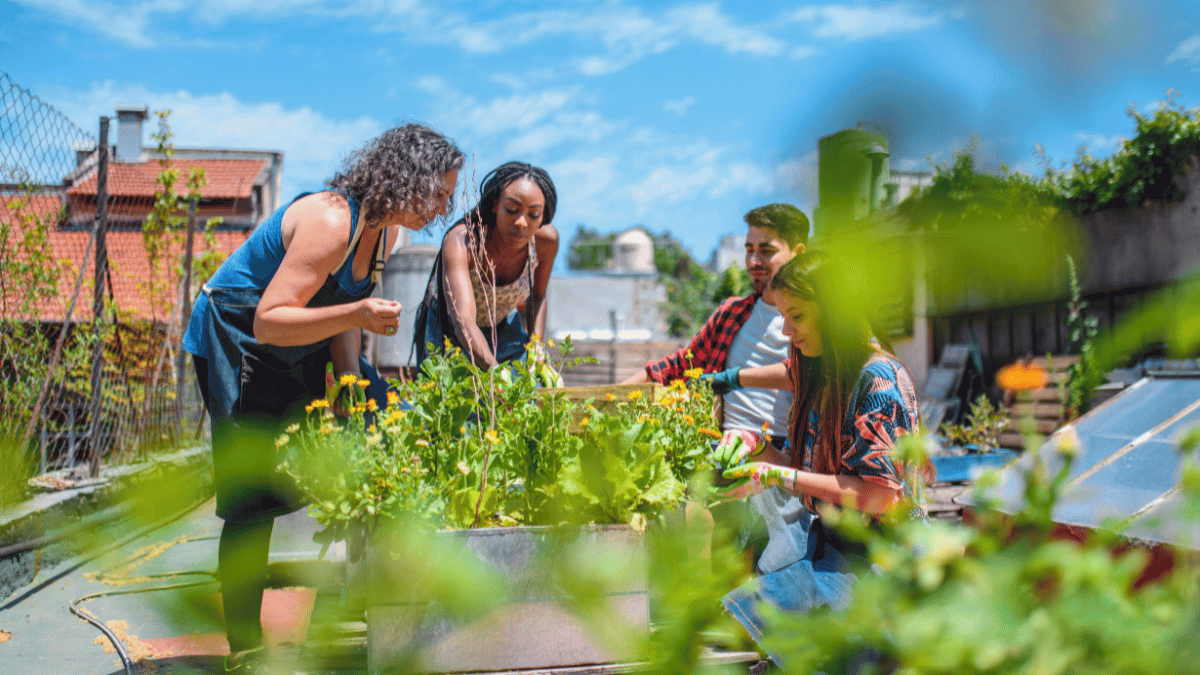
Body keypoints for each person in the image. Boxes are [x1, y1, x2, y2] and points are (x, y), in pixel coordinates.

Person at [182, 124, 464, 674]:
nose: (444, 205)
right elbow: (270, 321)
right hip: (239, 340)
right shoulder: (332, 220)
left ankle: (373, 602)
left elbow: (342, 311)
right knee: (253, 498)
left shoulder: (385, 235)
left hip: (298, 341)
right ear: (409, 179)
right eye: (439, 192)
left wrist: (350, 384)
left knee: (387, 422)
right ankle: (245, 648)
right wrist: (359, 317)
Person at [710, 250, 927, 666]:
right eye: (784, 317)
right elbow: (805, 471)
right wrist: (758, 447)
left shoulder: (878, 380)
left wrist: (774, 474)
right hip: (834, 551)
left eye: (799, 317)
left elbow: (879, 497)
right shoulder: (822, 371)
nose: (788, 331)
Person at [622, 203, 808, 565]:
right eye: (749, 250)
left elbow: (827, 372)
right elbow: (678, 365)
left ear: (798, 252)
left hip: (780, 453)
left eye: (766, 250)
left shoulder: (810, 319)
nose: (754, 260)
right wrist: (607, 396)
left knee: (712, 519)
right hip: (721, 447)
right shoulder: (734, 313)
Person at [414, 161, 558, 369]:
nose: (521, 222)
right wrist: (496, 376)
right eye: (511, 209)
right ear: (495, 204)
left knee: (528, 390)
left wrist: (537, 347)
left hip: (501, 323)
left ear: (543, 217)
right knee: (447, 396)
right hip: (449, 327)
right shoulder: (464, 241)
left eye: (533, 215)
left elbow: (537, 296)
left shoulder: (546, 242)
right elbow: (463, 320)